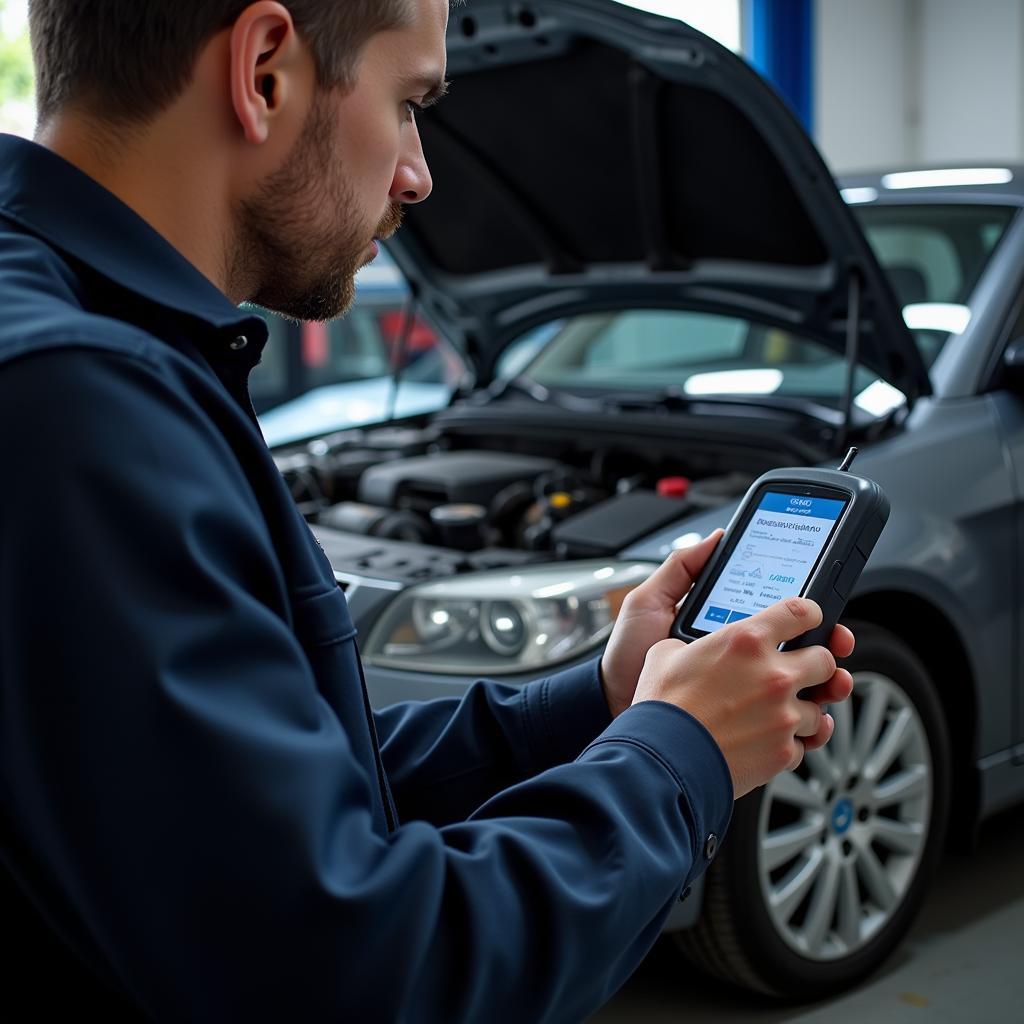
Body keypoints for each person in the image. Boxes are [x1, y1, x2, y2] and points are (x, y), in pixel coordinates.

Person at [0, 1, 854, 1020]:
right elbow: (368, 970)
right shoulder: (78, 402)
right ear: (264, 70)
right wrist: (682, 755)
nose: (418, 174)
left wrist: (600, 700)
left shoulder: (78, 350)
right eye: (408, 104)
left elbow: (251, 810)